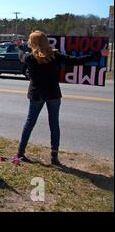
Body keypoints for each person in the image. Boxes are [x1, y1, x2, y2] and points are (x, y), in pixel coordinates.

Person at [15, 31, 109, 165]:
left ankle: (20, 153)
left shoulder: (30, 58)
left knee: (30, 123)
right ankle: (54, 156)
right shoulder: (55, 55)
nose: (28, 42)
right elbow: (76, 60)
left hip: (37, 95)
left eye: (30, 40)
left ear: (34, 43)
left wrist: (19, 47)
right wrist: (99, 54)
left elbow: (21, 56)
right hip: (53, 94)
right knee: (54, 124)